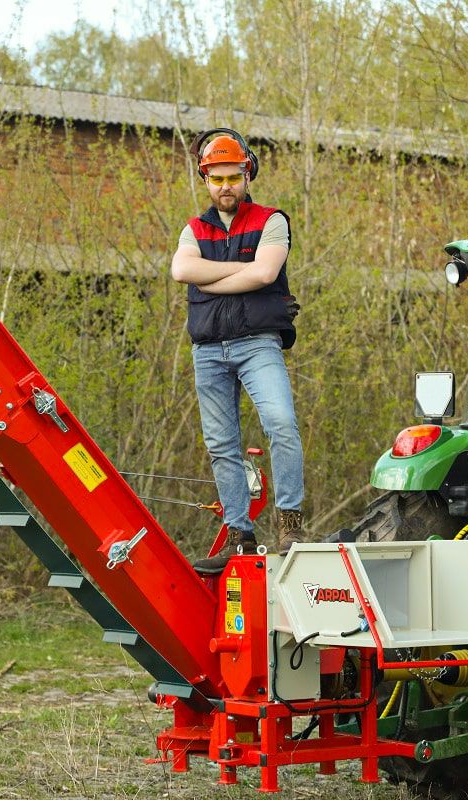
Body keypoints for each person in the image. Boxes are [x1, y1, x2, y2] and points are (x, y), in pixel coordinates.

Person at [170, 129, 304, 574]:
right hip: (208, 350)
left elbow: (265, 274)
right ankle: (239, 534)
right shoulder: (194, 228)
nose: (225, 186)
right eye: (216, 178)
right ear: (205, 179)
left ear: (248, 174)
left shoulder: (272, 221)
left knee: (281, 423)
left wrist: (210, 280)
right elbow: (180, 269)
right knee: (221, 444)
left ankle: (290, 523)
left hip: (257, 343)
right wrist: (239, 273)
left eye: (233, 177)